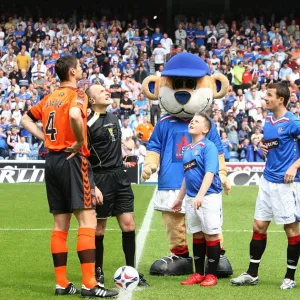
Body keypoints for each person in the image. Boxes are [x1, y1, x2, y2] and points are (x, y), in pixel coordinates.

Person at [21, 56, 118, 298]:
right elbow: (76, 115)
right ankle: (89, 284)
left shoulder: (49, 98)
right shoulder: (78, 94)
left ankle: (62, 284)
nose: (82, 70)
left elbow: (25, 119)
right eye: (80, 68)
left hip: (51, 161)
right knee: (88, 222)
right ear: (73, 72)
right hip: (72, 159)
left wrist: (43, 138)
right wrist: (79, 141)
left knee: (60, 225)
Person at [231, 82, 300, 289]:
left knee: (291, 230)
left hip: (286, 184)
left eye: (269, 95)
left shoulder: (293, 121)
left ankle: (290, 277)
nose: (265, 98)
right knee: (258, 227)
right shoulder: (269, 119)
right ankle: (252, 274)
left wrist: (295, 166)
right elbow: (273, 143)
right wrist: (263, 145)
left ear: (281, 99)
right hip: (267, 181)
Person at [85, 84, 150, 288]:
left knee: (129, 224)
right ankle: (98, 272)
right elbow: (83, 158)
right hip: (100, 180)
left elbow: (114, 147)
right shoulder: (87, 123)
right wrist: (93, 185)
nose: (106, 91)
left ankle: (132, 272)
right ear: (92, 100)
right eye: (100, 90)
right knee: (99, 229)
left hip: (120, 177)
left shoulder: (113, 118)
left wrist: (130, 144)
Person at [173, 113, 223, 287]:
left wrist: (201, 195)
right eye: (192, 120)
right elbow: (188, 176)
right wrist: (180, 198)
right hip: (192, 198)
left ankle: (212, 275)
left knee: (211, 234)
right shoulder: (187, 149)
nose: (192, 122)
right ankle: (198, 273)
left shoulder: (209, 147)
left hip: (208, 197)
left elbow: (209, 173)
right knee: (197, 234)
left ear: (206, 129)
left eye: (197, 121)